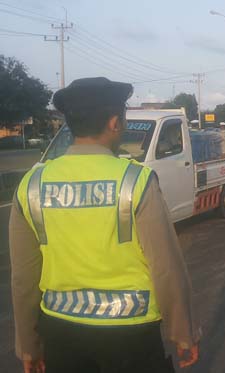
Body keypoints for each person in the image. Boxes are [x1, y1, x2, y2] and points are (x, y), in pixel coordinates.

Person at [9, 77, 200, 373]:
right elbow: (166, 266)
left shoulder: (32, 185)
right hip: (131, 335)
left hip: (61, 332)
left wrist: (28, 346)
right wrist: (182, 332)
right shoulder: (135, 180)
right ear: (114, 123)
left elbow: (23, 278)